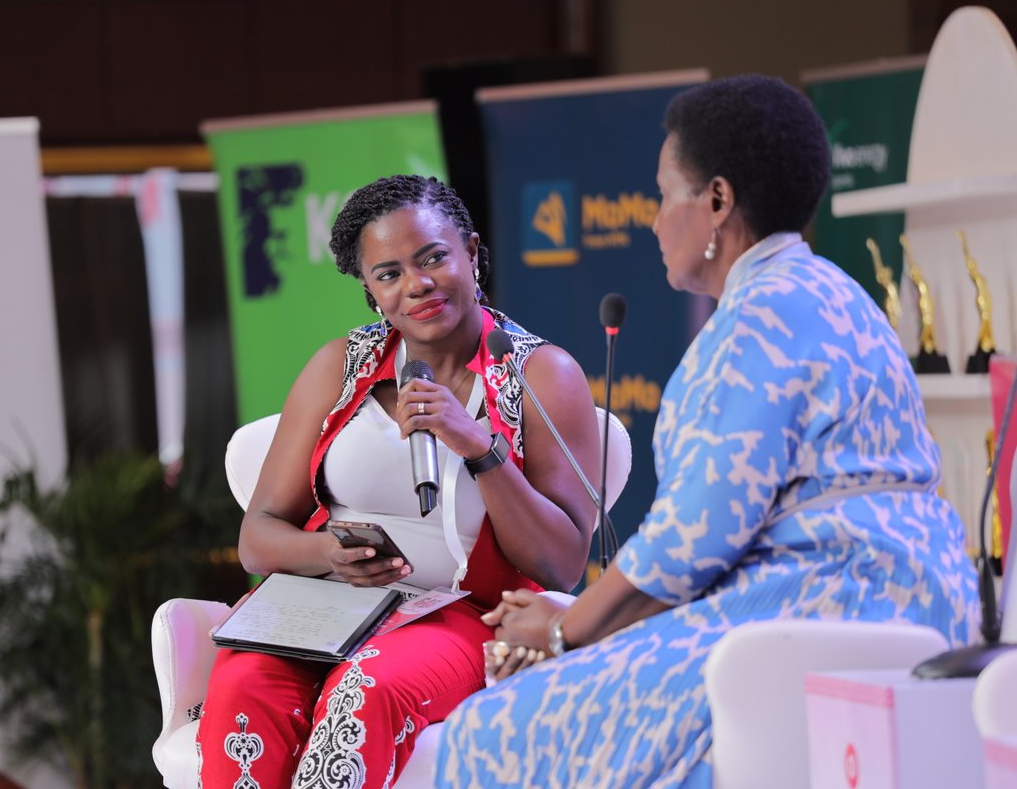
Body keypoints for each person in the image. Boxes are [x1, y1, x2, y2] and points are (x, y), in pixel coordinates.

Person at [434, 74, 979, 788]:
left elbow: (693, 541)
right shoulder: (839, 293)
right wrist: (589, 613)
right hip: (923, 605)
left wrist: (565, 629)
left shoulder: (755, 322)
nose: (655, 221)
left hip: (813, 616)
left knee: (493, 727)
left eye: (666, 196)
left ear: (717, 201)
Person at [194, 174, 601, 788]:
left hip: (459, 616)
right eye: (389, 274)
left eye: (434, 256)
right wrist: (328, 552)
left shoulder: (542, 376)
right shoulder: (339, 366)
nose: (417, 285)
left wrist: (479, 447)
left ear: (470, 250)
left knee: (365, 693)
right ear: (370, 291)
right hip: (323, 603)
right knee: (243, 690)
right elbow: (258, 536)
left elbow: (563, 564)